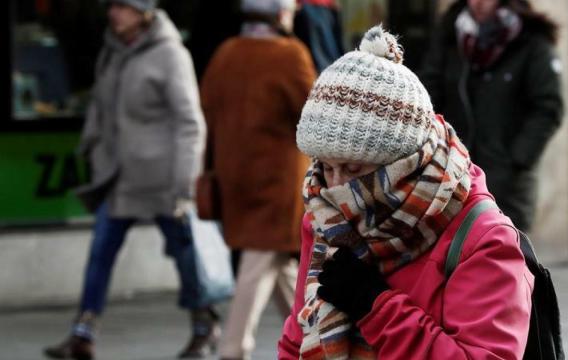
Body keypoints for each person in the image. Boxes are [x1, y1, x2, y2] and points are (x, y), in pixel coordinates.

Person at [278, 26, 533, 359]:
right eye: (327, 166)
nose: (337, 187)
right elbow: (297, 340)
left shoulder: (484, 240)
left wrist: (374, 306)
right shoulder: (326, 216)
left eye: (354, 169)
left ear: (403, 162)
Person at [44, 1, 218, 359]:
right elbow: (99, 107)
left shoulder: (170, 55)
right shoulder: (113, 52)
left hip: (162, 180)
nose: (113, 13)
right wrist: (92, 147)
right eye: (112, 6)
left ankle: (205, 326)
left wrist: (186, 184)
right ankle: (83, 334)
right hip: (120, 177)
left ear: (143, 13)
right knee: (100, 252)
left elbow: (189, 123)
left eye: (122, 7)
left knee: (187, 257)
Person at [198, 0, 316, 358]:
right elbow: (315, 116)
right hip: (279, 183)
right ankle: (234, 346)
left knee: (278, 265)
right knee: (260, 259)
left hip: (234, 177)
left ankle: (312, 342)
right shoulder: (290, 55)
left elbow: (206, 113)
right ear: (281, 14)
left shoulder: (226, 54)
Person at [420, 0, 563, 232]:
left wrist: (518, 159)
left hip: (507, 180)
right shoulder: (450, 36)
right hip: (453, 175)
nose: (478, 2)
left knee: (506, 255)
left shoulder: (531, 41)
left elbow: (548, 107)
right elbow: (428, 96)